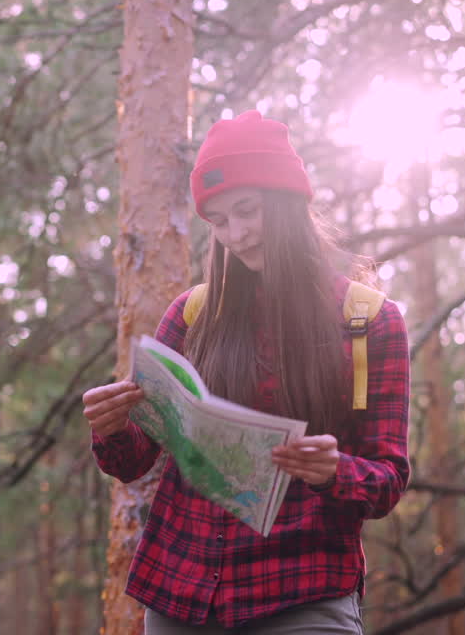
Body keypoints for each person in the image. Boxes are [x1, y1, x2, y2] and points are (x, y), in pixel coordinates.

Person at [83, 110, 410, 634]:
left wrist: (335, 471)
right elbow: (134, 460)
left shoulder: (368, 321)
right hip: (181, 590)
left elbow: (388, 479)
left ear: (287, 202)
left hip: (304, 590)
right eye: (217, 221)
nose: (234, 234)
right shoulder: (194, 314)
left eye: (246, 211)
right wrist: (113, 424)